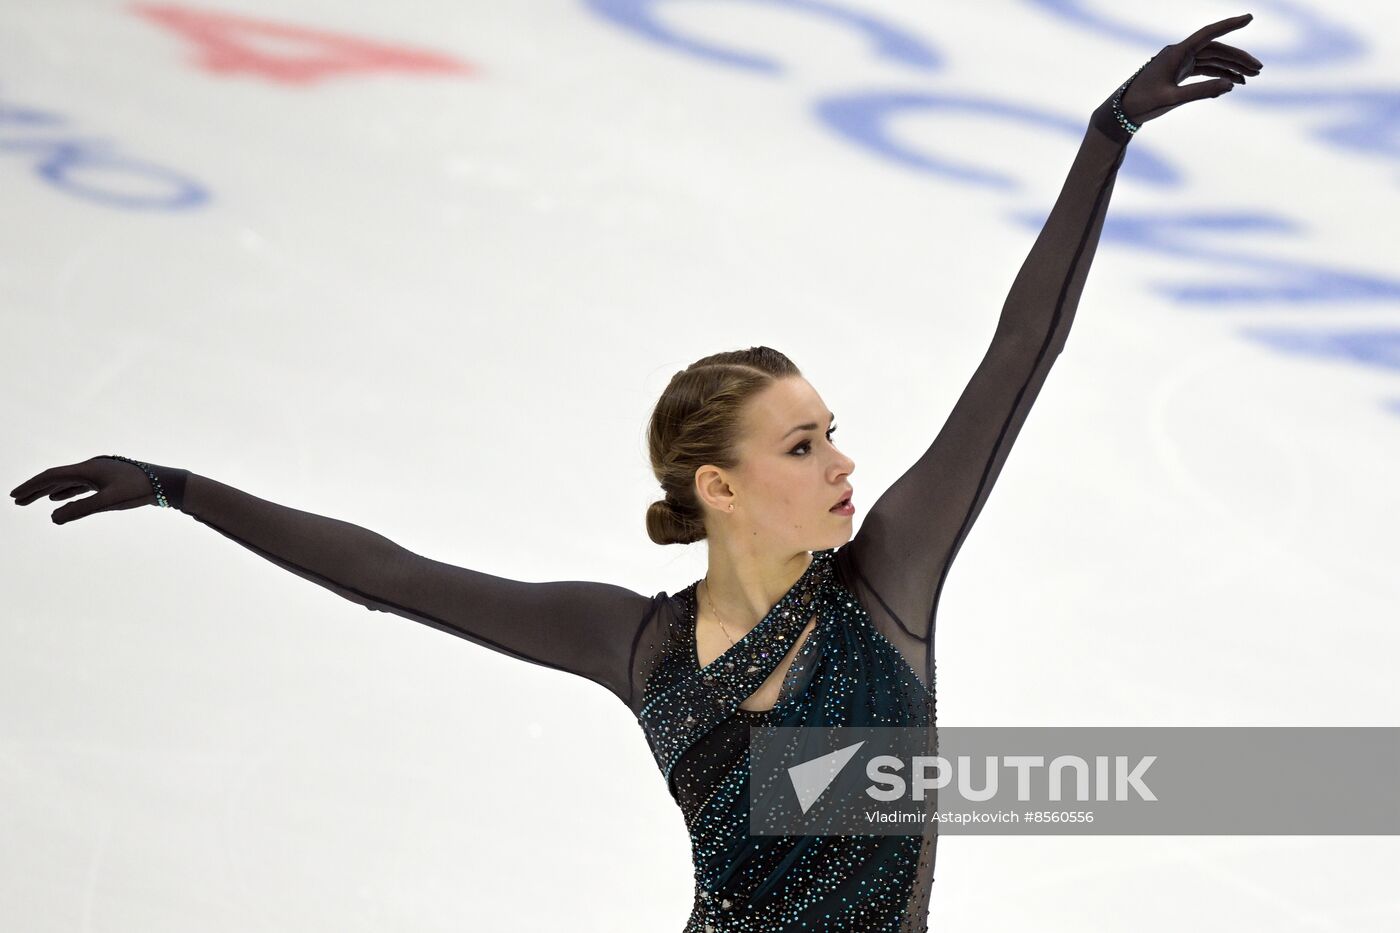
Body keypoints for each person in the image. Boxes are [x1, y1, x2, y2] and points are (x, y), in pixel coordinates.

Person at [10, 15, 1261, 932]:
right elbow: (389, 575)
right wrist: (179, 487)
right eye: (802, 444)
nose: (842, 465)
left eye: (831, 431)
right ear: (717, 487)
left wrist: (1106, 136)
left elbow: (1017, 355)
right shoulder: (634, 645)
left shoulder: (890, 578)